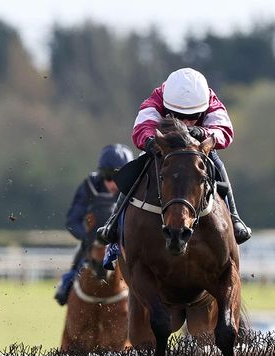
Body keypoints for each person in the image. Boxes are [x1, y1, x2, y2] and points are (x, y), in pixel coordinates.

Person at [97, 68, 252, 245]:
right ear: (167, 105)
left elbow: (224, 130)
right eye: (179, 116)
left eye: (193, 116)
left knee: (217, 163)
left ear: (203, 108)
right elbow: (142, 126)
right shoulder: (159, 96)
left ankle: (234, 217)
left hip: (198, 149)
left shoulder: (209, 98)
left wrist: (202, 132)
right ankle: (113, 222)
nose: (186, 123)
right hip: (165, 149)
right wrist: (149, 142)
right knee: (138, 164)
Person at [54, 144, 133, 305]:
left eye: (119, 178)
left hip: (126, 242)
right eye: (108, 176)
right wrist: (89, 238)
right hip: (94, 240)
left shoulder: (135, 187)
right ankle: (68, 283)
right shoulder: (89, 187)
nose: (113, 184)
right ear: (101, 174)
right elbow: (73, 221)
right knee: (81, 254)